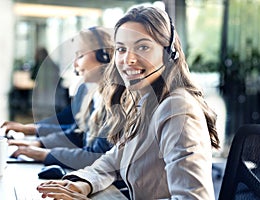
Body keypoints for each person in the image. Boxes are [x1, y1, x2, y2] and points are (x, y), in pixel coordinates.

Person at [36, 6, 220, 200]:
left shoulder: (177, 110)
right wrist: (83, 184)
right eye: (121, 49)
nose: (128, 59)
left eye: (143, 47)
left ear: (168, 53)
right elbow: (113, 160)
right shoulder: (146, 102)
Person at [7, 27, 116, 170]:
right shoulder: (96, 95)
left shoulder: (115, 102)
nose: (75, 64)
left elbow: (97, 156)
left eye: (81, 55)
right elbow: (78, 134)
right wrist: (40, 144)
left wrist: (46, 154)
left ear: (104, 56)